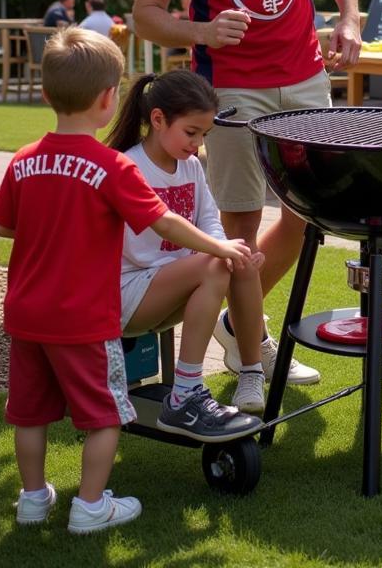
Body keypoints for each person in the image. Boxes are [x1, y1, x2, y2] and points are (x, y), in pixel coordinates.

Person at [131, 0, 362, 393]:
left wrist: (348, 16)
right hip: (230, 90)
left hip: (307, 76)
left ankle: (238, 324)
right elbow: (146, 13)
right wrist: (204, 29)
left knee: (305, 219)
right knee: (238, 231)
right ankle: (254, 364)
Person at [0, 28, 254, 535]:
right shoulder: (111, 166)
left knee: (29, 414)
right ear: (110, 99)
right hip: (86, 317)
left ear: (46, 95)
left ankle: (32, 500)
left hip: (25, 314)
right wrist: (219, 246)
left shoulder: (23, 160)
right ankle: (90, 506)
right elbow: (164, 224)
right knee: (106, 415)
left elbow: (0, 224)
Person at [107, 69, 271, 416]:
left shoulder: (191, 167)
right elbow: (163, 229)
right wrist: (221, 250)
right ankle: (186, 390)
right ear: (158, 119)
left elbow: (210, 220)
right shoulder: (128, 167)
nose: (197, 144)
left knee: (238, 257)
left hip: (169, 284)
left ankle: (251, 371)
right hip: (126, 293)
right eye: (191, 133)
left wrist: (230, 250)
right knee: (220, 258)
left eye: (204, 135)